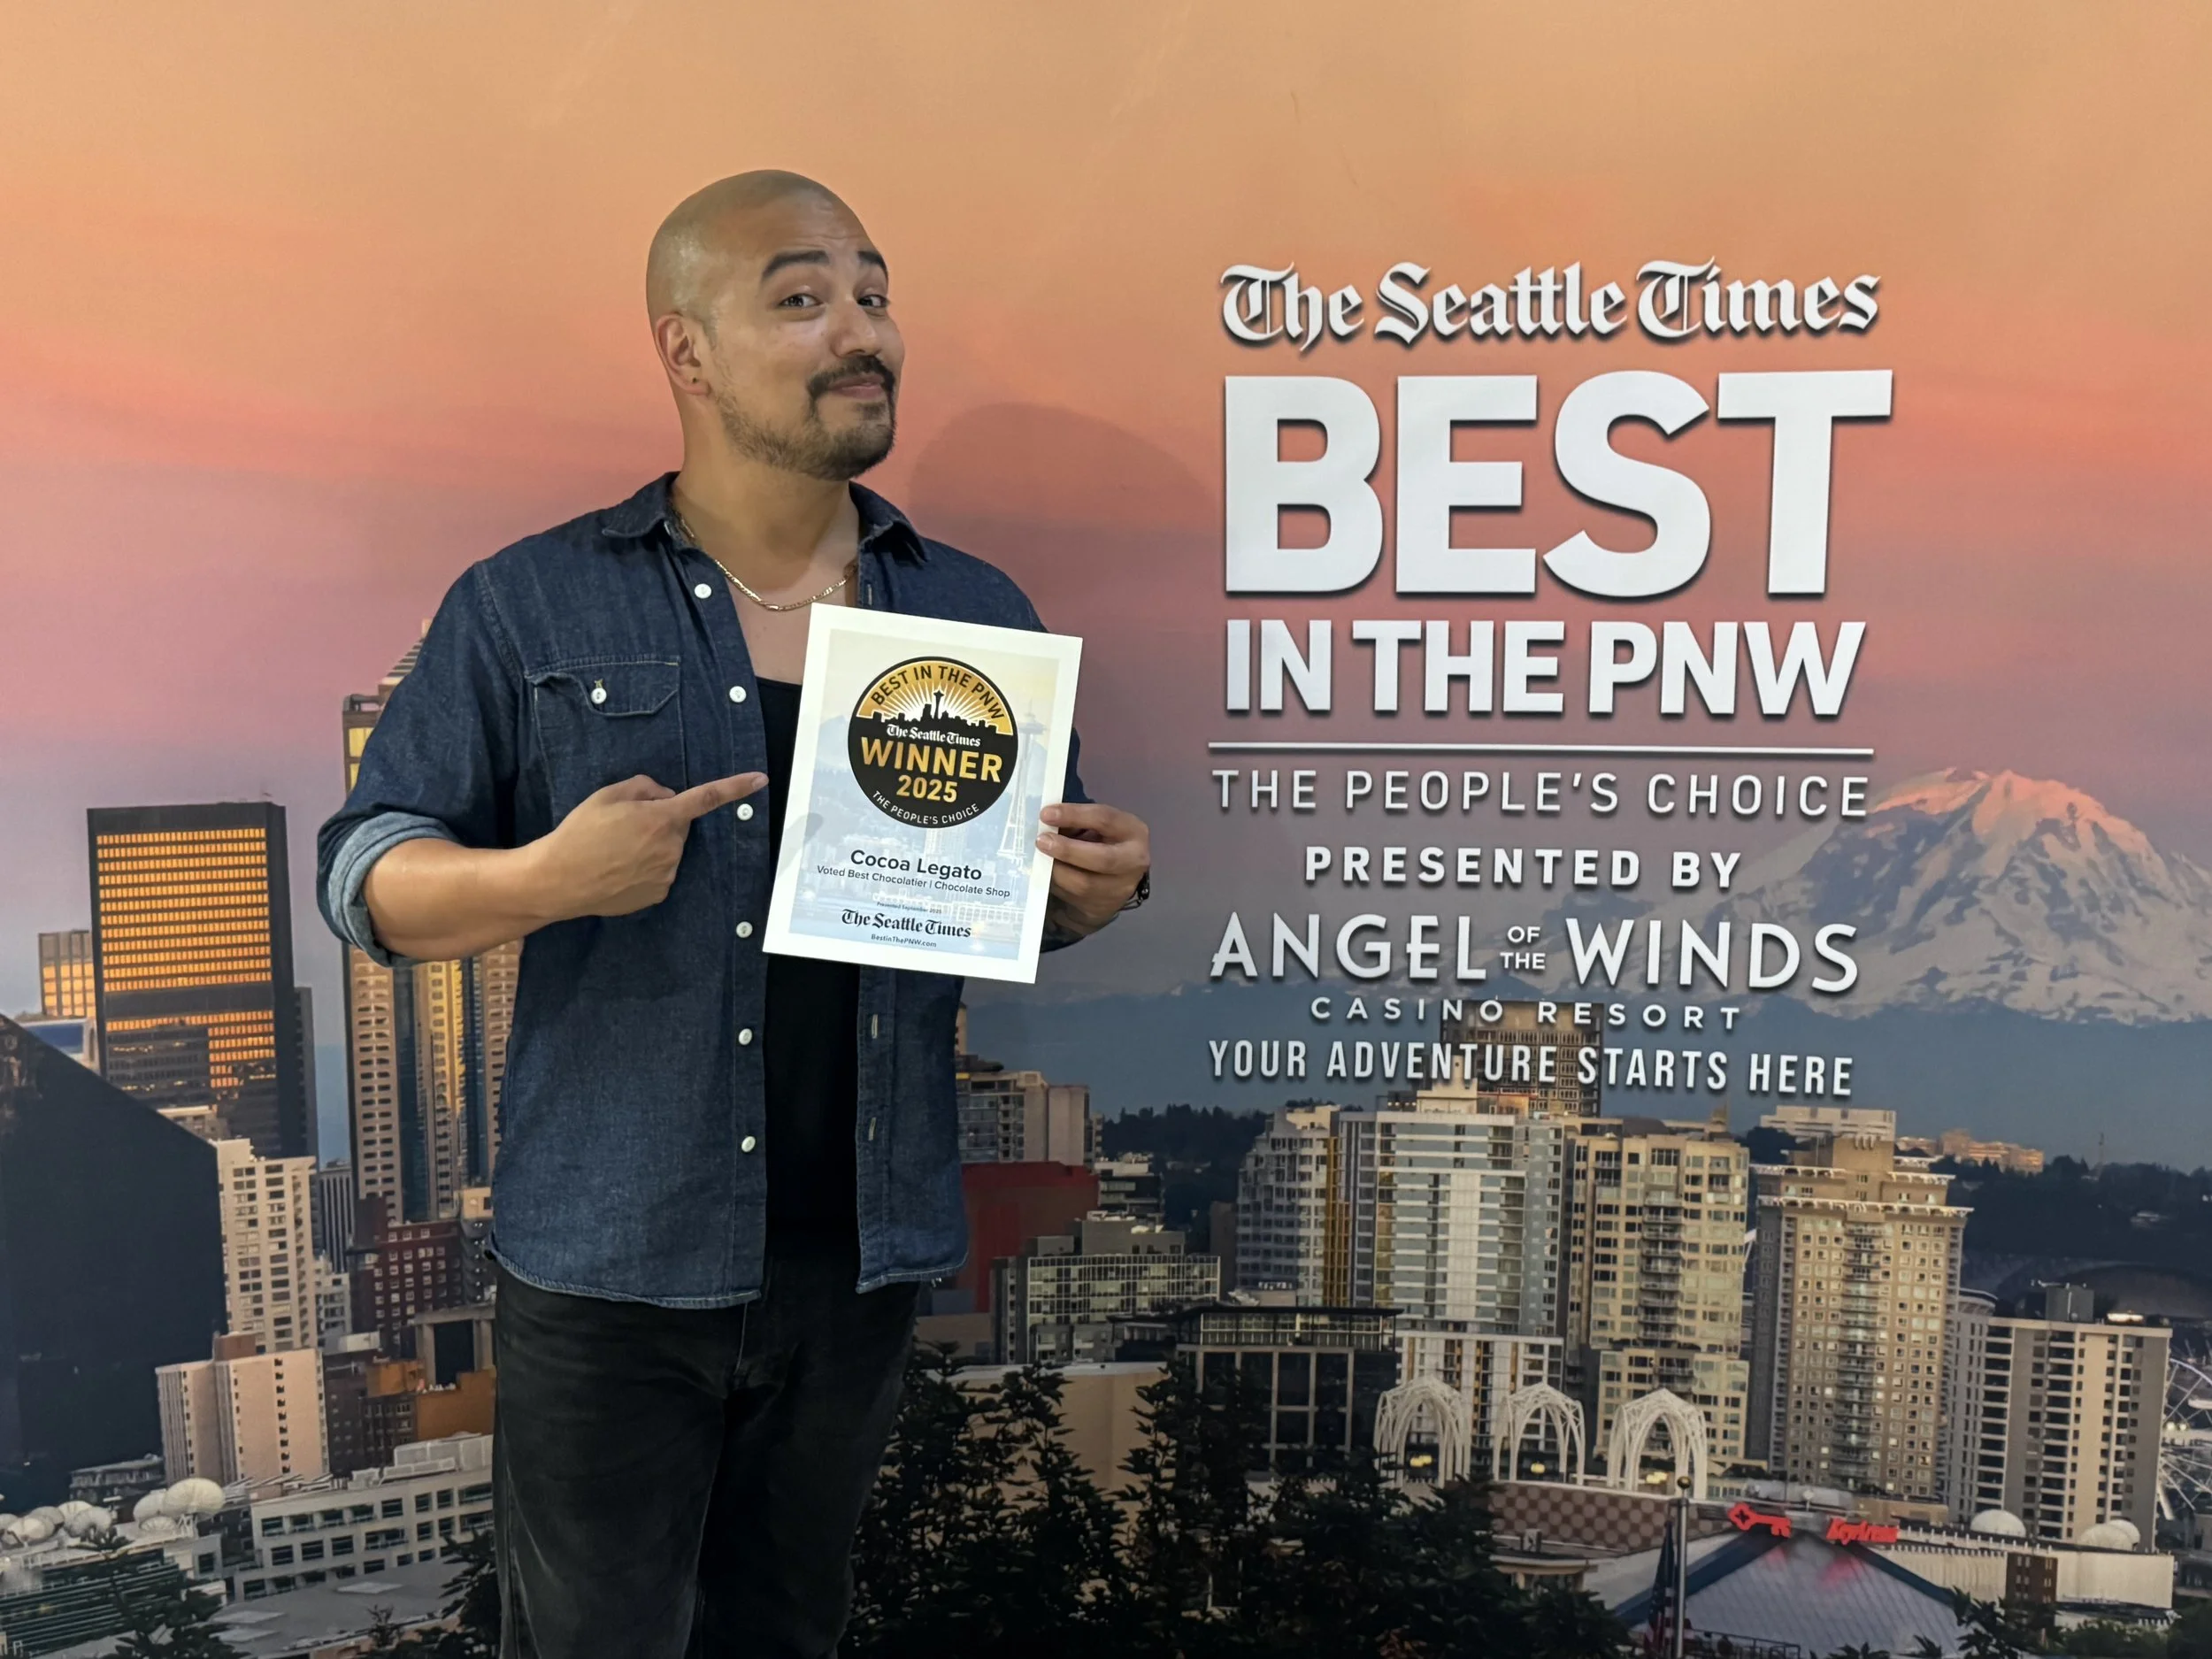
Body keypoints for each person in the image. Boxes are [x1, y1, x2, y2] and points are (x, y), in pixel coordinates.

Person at [315, 170, 1149, 1659]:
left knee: (789, 1634)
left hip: (859, 1262)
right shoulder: (530, 603)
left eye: (875, 294)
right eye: (803, 297)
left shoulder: (974, 614)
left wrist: (1096, 890)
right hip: (614, 1268)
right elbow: (364, 873)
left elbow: (1012, 909)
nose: (863, 331)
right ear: (686, 351)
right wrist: (544, 879)